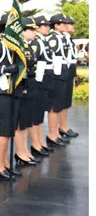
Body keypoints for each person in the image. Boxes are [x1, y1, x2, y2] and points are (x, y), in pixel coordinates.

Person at [0, 14, 21, 180]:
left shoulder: (13, 47)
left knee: (8, 129)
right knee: (2, 129)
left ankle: (5, 163)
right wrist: (7, 69)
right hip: (1, 91)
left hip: (11, 91)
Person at [12, 18, 40, 166]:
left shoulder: (29, 46)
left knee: (26, 122)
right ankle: (20, 152)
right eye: (31, 30)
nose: (34, 32)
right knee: (20, 123)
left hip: (30, 85)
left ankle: (24, 151)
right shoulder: (18, 46)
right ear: (23, 31)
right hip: (21, 87)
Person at [30, 16, 55, 156]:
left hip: (45, 79)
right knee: (35, 114)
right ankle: (35, 143)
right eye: (44, 26)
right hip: (38, 81)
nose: (47, 28)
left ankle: (40, 141)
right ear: (37, 28)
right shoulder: (35, 42)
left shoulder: (43, 41)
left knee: (40, 114)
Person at [45, 14, 72, 147]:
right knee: (54, 106)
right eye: (62, 24)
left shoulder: (62, 37)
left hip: (62, 72)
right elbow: (53, 56)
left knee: (59, 104)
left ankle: (56, 132)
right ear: (56, 25)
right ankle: (52, 133)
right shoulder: (53, 38)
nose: (65, 26)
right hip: (56, 73)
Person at [59, 16, 79, 138]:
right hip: (62, 69)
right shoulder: (59, 39)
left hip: (70, 67)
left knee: (66, 100)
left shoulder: (67, 38)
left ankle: (63, 125)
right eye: (70, 24)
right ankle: (61, 126)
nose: (73, 26)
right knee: (61, 100)